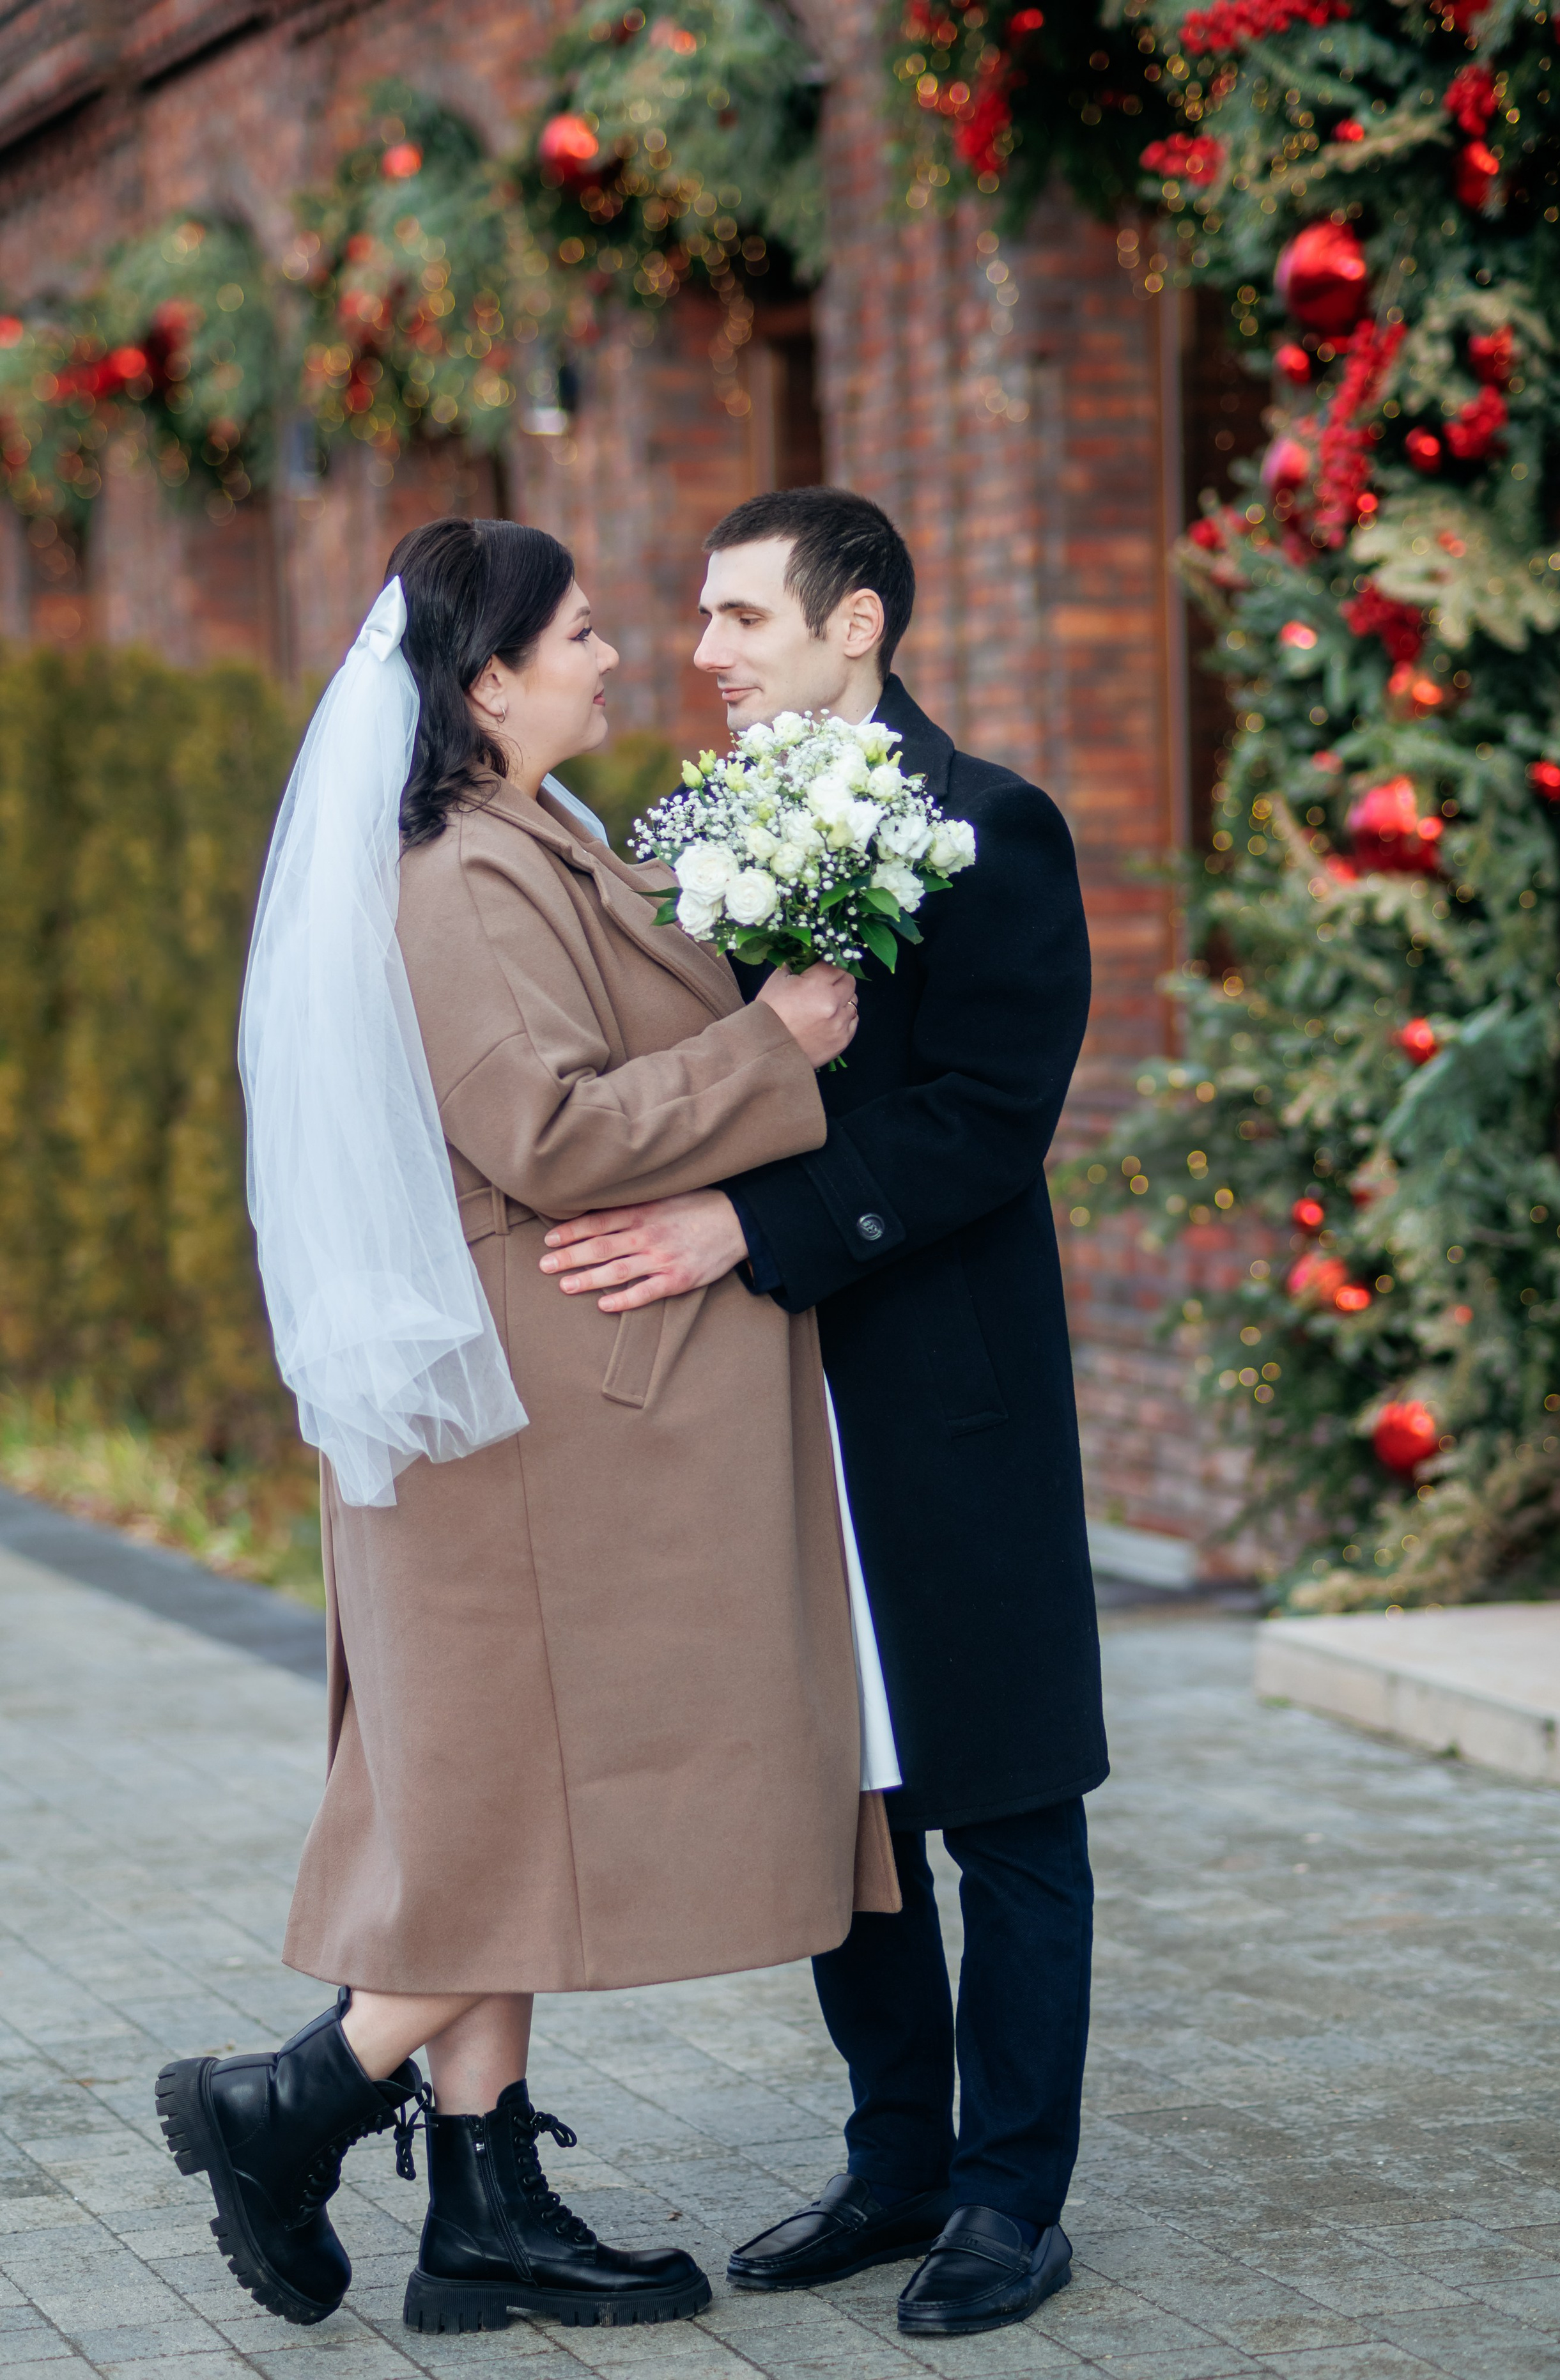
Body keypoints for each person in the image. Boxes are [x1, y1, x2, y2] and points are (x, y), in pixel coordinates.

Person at [154, 516, 899, 2338]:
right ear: (484, 682)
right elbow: (549, 1134)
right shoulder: (458, 877)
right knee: (520, 1805)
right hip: (527, 1431)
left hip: (543, 1415)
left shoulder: (538, 833)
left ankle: (485, 2210)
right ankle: (294, 2096)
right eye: (580, 633)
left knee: (488, 1809)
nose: (618, 655)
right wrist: (777, 1043)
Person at [539, 486, 1108, 2339]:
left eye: (739, 620)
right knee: (844, 1789)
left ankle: (1015, 2198)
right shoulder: (701, 829)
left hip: (947, 1392)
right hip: (766, 1406)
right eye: (697, 621)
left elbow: (981, 1120)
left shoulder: (993, 827)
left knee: (1006, 1803)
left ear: (858, 625)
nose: (702, 655)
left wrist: (742, 1220)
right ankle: (897, 2161)